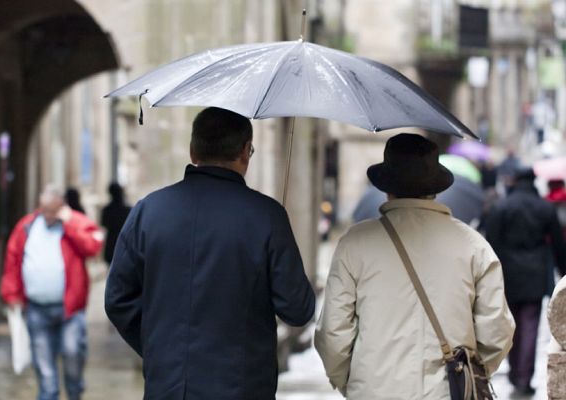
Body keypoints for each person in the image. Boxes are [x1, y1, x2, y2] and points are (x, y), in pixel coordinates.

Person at [105, 107, 315, 399]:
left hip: (169, 386)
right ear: (245, 152)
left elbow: (117, 300)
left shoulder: (148, 211)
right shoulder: (266, 216)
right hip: (242, 387)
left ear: (193, 152)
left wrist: (162, 348)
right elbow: (298, 309)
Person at [315, 134, 515, 399]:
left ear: (387, 187)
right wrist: (468, 374)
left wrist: (354, 382)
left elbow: (333, 334)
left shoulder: (354, 244)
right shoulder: (473, 246)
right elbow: (497, 332)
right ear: (435, 187)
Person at [1, 185, 103, 400]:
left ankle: (75, 392)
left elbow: (93, 247)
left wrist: (70, 222)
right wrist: (11, 294)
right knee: (44, 367)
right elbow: (12, 260)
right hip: (36, 308)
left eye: (52, 211)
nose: (47, 216)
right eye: (43, 210)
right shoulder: (27, 226)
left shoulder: (75, 222)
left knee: (73, 354)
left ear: (61, 207)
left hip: (70, 309)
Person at [485, 167, 566, 395]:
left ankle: (513, 371)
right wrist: (563, 272)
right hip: (535, 274)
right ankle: (524, 376)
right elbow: (559, 245)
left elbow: (490, 243)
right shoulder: (544, 208)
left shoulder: (502, 207)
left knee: (510, 325)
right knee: (530, 325)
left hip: (508, 275)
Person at [100, 182, 131, 266]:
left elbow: (104, 224)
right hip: (125, 245)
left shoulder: (107, 210)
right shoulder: (128, 209)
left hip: (111, 245)